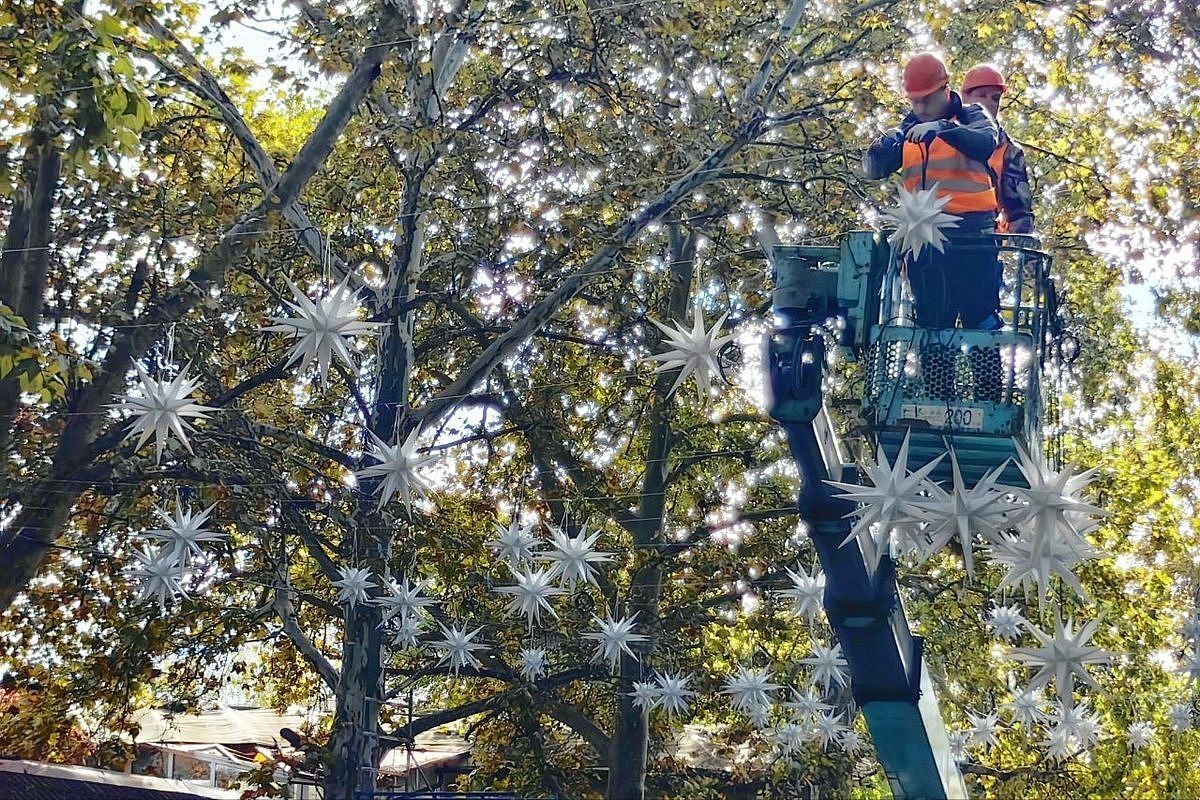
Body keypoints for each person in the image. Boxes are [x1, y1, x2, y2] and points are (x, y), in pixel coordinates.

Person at [863, 53, 1001, 401]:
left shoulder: (974, 117)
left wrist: (944, 129)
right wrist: (882, 149)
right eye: (914, 100)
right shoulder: (907, 129)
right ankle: (938, 399)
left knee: (979, 318)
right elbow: (875, 167)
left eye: (927, 99)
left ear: (945, 89)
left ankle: (988, 398)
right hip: (926, 244)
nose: (921, 107)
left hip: (973, 240)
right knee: (932, 323)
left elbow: (985, 141)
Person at [961, 63, 1034, 235]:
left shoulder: (1008, 151)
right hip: (933, 235)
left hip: (982, 241)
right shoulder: (942, 133)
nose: (988, 103)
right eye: (981, 96)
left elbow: (1019, 213)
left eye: (995, 98)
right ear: (965, 98)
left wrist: (1028, 259)